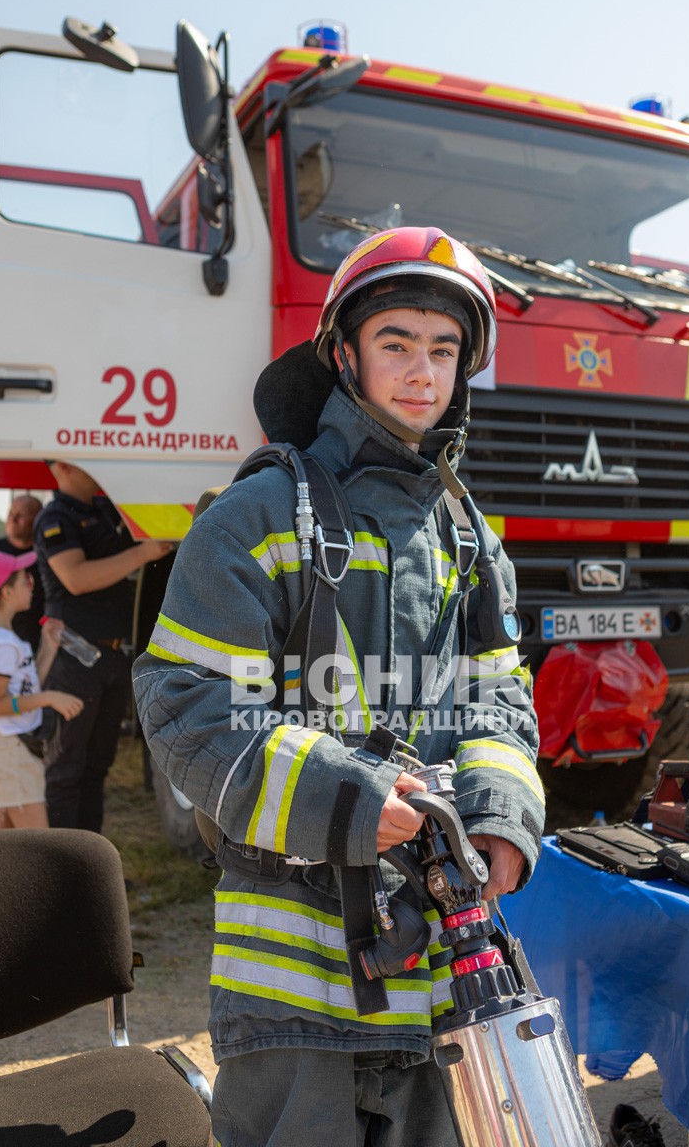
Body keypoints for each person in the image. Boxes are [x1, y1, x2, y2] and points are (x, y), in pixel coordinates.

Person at [133, 226, 544, 1147]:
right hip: (295, 987)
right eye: (396, 342)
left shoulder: (469, 540)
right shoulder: (258, 517)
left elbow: (497, 698)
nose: (421, 371)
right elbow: (186, 703)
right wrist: (348, 797)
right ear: (344, 355)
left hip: (442, 970)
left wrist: (498, 818)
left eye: (443, 350)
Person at [33, 462, 173, 832]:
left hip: (111, 656)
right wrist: (144, 553)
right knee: (65, 771)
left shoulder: (101, 510)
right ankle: (62, 872)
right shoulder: (55, 517)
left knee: (96, 769)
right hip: (74, 657)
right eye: (85, 460)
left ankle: (88, 869)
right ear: (63, 465)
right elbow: (76, 578)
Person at [0, 550, 83, 829]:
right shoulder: (2, 645)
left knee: (1, 855)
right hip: (10, 752)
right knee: (36, 853)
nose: (31, 582)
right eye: (24, 579)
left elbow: (21, 691)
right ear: (5, 593)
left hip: (5, 749)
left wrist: (47, 648)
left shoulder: (0, 638)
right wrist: (50, 698)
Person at [0, 494, 44, 650]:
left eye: (21, 515)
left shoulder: (48, 556)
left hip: (33, 640)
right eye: (11, 513)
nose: (13, 519)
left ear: (37, 520)